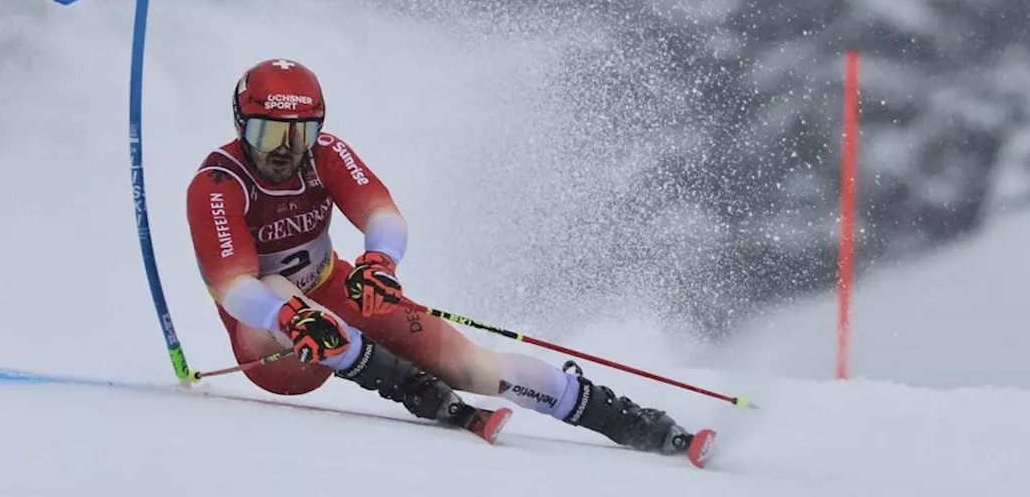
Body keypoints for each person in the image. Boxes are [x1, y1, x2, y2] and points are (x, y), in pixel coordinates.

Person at [185, 58, 694, 454]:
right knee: (282, 294)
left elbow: (383, 216)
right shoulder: (218, 185)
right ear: (240, 126)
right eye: (267, 133)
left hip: (333, 291)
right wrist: (288, 315)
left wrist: (380, 262)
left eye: (301, 134)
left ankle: (623, 419)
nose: (284, 150)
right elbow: (235, 289)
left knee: (471, 364)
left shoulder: (328, 156)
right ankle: (409, 386)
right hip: (273, 348)